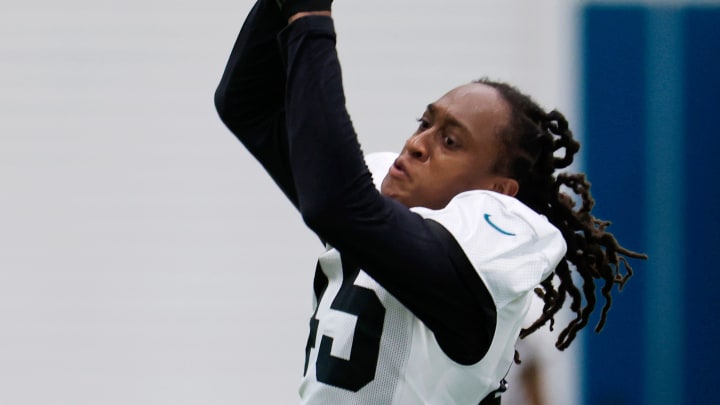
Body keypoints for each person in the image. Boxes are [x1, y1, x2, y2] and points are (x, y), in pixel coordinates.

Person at [213, 1, 647, 404]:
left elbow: (337, 203)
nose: (417, 144)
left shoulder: (500, 238)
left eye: (450, 141)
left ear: (498, 191)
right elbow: (248, 104)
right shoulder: (383, 200)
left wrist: (310, 15)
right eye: (424, 123)